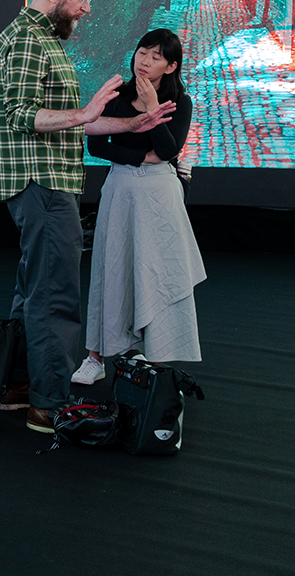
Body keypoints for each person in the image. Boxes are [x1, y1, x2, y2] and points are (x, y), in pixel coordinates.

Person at [0, 0, 174, 433]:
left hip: (43, 183)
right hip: (43, 183)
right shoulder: (30, 38)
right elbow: (21, 114)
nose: (87, 9)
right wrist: (87, 110)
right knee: (55, 294)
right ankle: (49, 403)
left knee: (34, 288)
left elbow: (79, 120)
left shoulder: (40, 38)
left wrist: (131, 124)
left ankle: (18, 388)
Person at [74, 29, 205, 383]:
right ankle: (95, 357)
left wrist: (151, 110)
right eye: (142, 52)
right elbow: (98, 146)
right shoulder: (118, 95)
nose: (144, 61)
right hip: (119, 187)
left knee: (158, 270)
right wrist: (138, 157)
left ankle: (157, 356)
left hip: (160, 194)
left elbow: (167, 151)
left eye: (156, 57)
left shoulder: (181, 101)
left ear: (171, 66)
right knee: (109, 267)